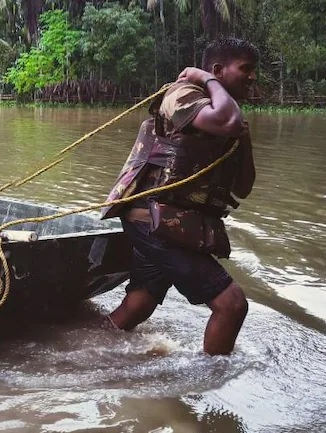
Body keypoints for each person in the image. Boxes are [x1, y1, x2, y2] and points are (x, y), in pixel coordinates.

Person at [100, 38, 258, 356]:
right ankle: (210, 388)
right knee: (231, 305)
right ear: (217, 70)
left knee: (140, 303)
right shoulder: (183, 93)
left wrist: (243, 135)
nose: (252, 78)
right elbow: (222, 120)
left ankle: (84, 344)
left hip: (174, 223)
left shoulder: (231, 120)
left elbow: (243, 187)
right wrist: (205, 80)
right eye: (245, 69)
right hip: (153, 218)